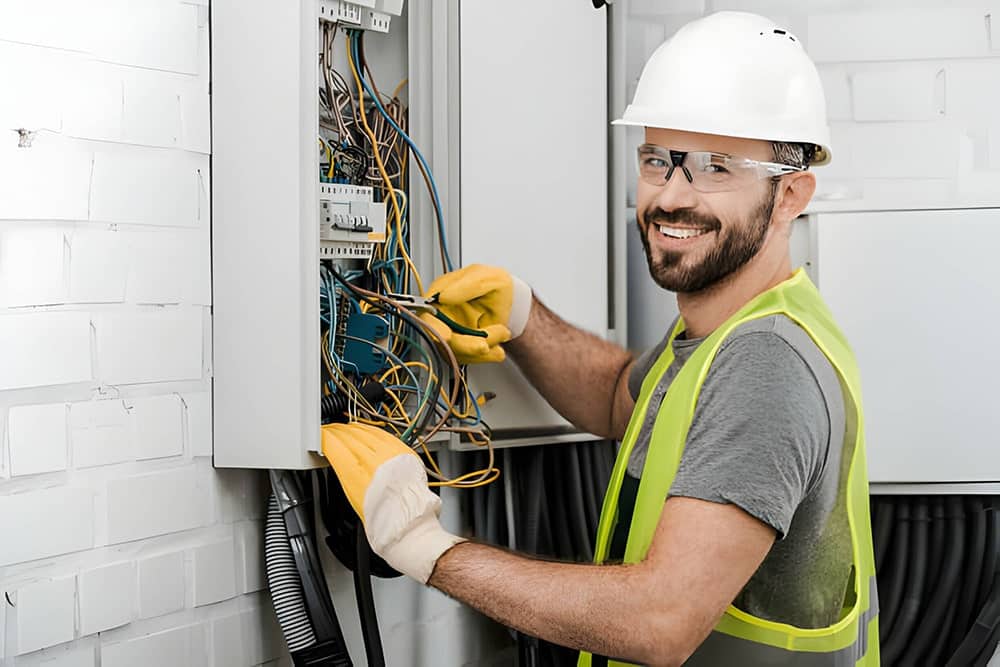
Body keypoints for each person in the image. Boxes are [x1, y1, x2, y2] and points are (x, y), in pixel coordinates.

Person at [322, 11, 879, 667]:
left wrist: (425, 546)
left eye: (714, 168)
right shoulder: (724, 330)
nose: (672, 196)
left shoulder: (765, 362)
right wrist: (525, 316)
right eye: (656, 160)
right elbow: (623, 398)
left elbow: (660, 620)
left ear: (791, 195)